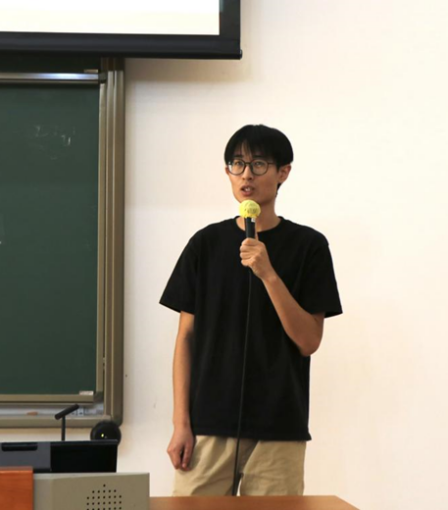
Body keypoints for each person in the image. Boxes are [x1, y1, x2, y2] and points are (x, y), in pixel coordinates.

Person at [160, 124, 342, 496]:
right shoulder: (205, 244)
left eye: (258, 164)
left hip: (279, 427)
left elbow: (309, 341)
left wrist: (268, 274)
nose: (246, 175)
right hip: (208, 425)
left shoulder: (309, 246)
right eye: (237, 164)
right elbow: (186, 339)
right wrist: (181, 424)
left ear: (283, 172)